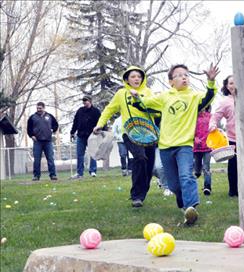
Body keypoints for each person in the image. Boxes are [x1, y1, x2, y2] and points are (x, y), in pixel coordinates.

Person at [133, 63, 219, 225]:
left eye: (186, 74)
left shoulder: (194, 97)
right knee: (173, 184)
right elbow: (145, 104)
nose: (183, 77)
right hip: (165, 146)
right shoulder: (165, 97)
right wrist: (136, 97)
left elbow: (208, 97)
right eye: (179, 75)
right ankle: (182, 199)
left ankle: (191, 207)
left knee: (186, 175)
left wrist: (211, 81)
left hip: (184, 146)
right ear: (171, 81)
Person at [93, 66, 157, 208]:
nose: (136, 79)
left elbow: (157, 110)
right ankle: (136, 196)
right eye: (133, 76)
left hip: (149, 134)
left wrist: (138, 98)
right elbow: (109, 109)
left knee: (149, 166)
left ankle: (142, 192)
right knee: (140, 158)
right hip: (129, 132)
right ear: (127, 79)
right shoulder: (121, 94)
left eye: (139, 77)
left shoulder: (148, 92)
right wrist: (100, 124)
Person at [209, 75, 244, 197]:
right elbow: (216, 115)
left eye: (236, 82)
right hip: (233, 139)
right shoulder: (225, 102)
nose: (233, 85)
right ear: (227, 86)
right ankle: (233, 191)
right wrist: (213, 124)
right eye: (230, 83)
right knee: (233, 164)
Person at [70, 95, 101, 178]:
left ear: (90, 101)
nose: (84, 102)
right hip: (81, 135)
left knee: (93, 154)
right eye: (83, 101)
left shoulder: (96, 111)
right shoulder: (80, 111)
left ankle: (93, 171)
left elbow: (101, 122)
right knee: (80, 154)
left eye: (86, 100)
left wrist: (100, 131)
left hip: (92, 136)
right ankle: (80, 173)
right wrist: (72, 132)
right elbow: (75, 122)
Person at [27, 102, 59, 181]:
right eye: (37, 108)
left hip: (48, 141)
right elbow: (29, 129)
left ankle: (53, 175)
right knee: (37, 160)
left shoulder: (50, 116)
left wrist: (53, 130)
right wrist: (32, 135)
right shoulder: (32, 117)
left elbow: (56, 125)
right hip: (37, 142)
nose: (39, 110)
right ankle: (36, 176)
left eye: (40, 108)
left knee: (50, 159)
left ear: (44, 108)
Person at [193, 107, 212, 196]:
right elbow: (190, 130)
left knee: (206, 168)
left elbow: (213, 128)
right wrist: (195, 138)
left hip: (208, 146)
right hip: (197, 147)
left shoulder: (210, 116)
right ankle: (197, 173)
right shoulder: (193, 117)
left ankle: (207, 187)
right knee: (197, 170)